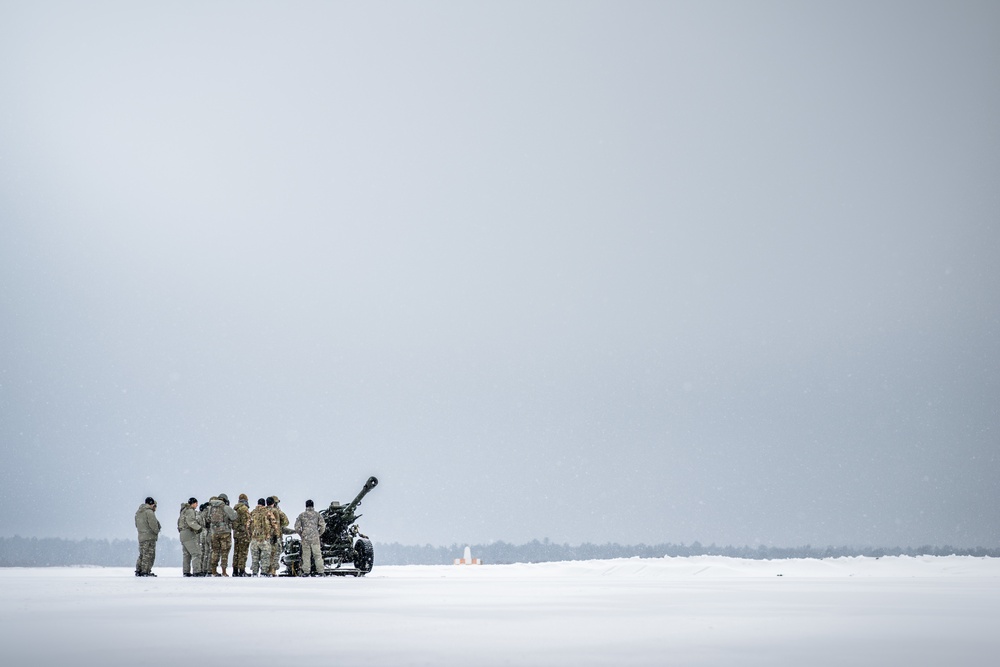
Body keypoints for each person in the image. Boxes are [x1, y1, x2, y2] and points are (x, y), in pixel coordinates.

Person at [207, 493, 238, 576]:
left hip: (214, 532)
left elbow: (208, 519)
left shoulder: (211, 508)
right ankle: (224, 571)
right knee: (224, 552)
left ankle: (213, 570)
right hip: (225, 533)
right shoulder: (226, 508)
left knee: (215, 551)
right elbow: (234, 517)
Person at [294, 499, 327, 576]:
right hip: (315, 538)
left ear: (306, 506)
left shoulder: (301, 515)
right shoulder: (317, 515)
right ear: (313, 506)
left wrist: (301, 534)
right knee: (317, 555)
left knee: (306, 555)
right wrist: (318, 534)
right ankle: (321, 571)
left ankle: (306, 571)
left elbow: (297, 527)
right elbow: (323, 526)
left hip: (305, 539)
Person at [249, 498, 279, 576]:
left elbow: (248, 525)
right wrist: (276, 534)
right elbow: (274, 524)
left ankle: (254, 572)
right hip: (264, 538)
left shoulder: (252, 512)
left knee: (255, 558)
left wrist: (250, 535)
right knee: (265, 556)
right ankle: (264, 572)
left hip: (254, 539)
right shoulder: (267, 512)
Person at [134, 497, 160, 577]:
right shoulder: (149, 512)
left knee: (142, 554)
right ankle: (146, 571)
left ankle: (139, 570)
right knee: (149, 555)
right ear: (152, 504)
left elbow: (136, 525)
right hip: (149, 537)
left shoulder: (138, 512)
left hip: (141, 536)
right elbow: (153, 525)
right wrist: (157, 531)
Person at [177, 497, 203, 577]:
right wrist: (199, 528)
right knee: (196, 553)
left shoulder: (183, 511)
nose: (197, 505)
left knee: (186, 554)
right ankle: (197, 571)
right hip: (189, 534)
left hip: (182, 533)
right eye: (196, 503)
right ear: (193, 503)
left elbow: (178, 522)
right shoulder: (190, 511)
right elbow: (191, 522)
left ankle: (186, 571)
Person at [268, 495, 290, 576]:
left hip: (266, 537)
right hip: (276, 537)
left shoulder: (264, 511)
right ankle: (272, 571)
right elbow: (286, 522)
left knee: (268, 554)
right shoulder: (277, 512)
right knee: (275, 554)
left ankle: (268, 570)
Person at [232, 493, 252, 577]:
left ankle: (235, 570)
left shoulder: (235, 509)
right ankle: (242, 570)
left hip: (236, 533)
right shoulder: (244, 509)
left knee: (236, 552)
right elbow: (247, 522)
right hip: (243, 534)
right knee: (243, 553)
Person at [197, 501, 212, 576]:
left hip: (200, 533)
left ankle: (201, 569)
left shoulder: (199, 514)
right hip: (205, 532)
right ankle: (207, 569)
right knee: (207, 551)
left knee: (202, 551)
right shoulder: (207, 512)